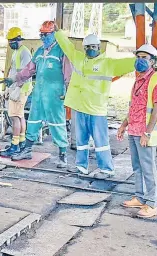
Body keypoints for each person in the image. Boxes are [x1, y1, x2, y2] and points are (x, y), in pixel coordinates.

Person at [54, 27, 136, 178]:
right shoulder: (78, 58)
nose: (90, 49)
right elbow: (67, 47)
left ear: (99, 47)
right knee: (81, 141)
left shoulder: (108, 64)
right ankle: (81, 166)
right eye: (87, 47)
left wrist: (142, 58)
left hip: (96, 110)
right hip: (79, 107)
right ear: (84, 48)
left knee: (101, 142)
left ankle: (107, 169)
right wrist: (58, 33)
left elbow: (129, 63)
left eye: (93, 47)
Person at [4, 21, 72, 168]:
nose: (43, 38)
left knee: (57, 124)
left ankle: (62, 155)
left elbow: (68, 74)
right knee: (33, 122)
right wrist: (14, 79)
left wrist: (68, 93)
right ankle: (27, 150)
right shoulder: (40, 52)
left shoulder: (61, 52)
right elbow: (29, 69)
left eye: (46, 35)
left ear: (54, 35)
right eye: (41, 35)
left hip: (55, 96)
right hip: (39, 94)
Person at [117, 44, 157, 218]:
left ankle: (152, 204)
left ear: (152, 61)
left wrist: (148, 132)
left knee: (148, 167)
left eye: (144, 58)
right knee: (137, 167)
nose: (140, 60)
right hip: (134, 130)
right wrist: (124, 125)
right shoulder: (138, 80)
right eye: (138, 57)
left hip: (145, 133)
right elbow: (134, 107)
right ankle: (140, 197)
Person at [0, 27, 33, 158]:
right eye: (9, 41)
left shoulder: (24, 53)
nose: (10, 43)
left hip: (20, 88)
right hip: (16, 87)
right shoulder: (16, 52)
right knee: (20, 116)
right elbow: (14, 71)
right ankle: (21, 142)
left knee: (15, 117)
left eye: (12, 41)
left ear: (19, 40)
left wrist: (16, 89)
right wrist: (9, 88)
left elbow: (26, 73)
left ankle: (15, 146)